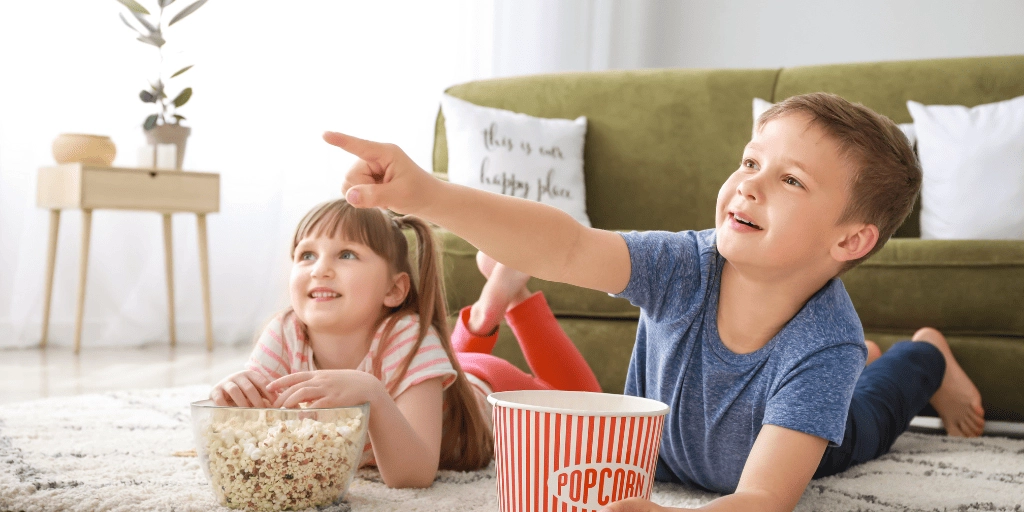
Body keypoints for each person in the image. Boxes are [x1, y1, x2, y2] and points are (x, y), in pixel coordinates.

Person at [322, 92, 985, 511]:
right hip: (671, 450)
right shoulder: (684, 264)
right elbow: (568, 247)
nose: (749, 187)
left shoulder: (825, 341)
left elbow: (761, 497)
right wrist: (429, 196)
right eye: (751, 163)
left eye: (789, 180)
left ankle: (924, 355)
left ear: (852, 239)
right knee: (837, 388)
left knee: (874, 413)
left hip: (782, 443)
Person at [209, 199, 601, 489]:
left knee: (592, 410)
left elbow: (413, 475)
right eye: (306, 254)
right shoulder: (284, 331)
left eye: (346, 254)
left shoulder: (409, 336)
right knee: (450, 362)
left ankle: (508, 302)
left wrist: (373, 395)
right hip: (449, 372)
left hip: (488, 388)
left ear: (394, 289)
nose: (320, 268)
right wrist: (234, 396)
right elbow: (252, 435)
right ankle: (485, 312)